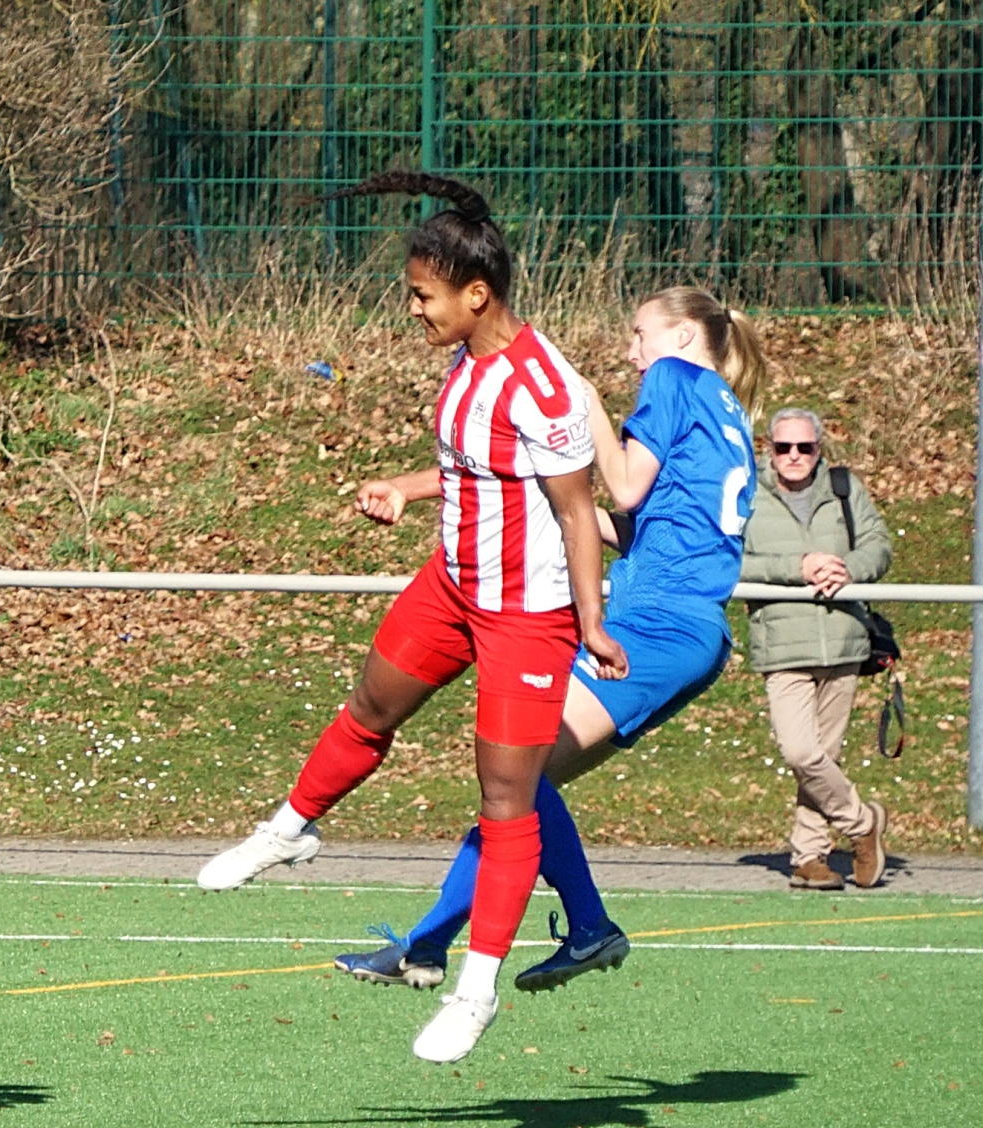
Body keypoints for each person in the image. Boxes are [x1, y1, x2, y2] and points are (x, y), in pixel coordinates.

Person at [194, 171, 627, 1066]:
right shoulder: (465, 364)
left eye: (423, 297)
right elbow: (474, 469)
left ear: (478, 294)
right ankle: (290, 830)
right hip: (452, 586)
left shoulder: (543, 388)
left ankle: (476, 990)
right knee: (370, 707)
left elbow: (580, 514)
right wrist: (404, 483)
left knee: (508, 802)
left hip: (525, 616)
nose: (414, 311)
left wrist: (590, 623)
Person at [332, 285, 764, 993]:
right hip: (691, 631)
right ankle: (428, 943)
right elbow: (629, 528)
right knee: (520, 790)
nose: (632, 351)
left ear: (685, 336)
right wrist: (544, 495)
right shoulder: (728, 412)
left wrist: (582, 399)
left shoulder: (675, 377)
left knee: (517, 774)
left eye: (639, 333)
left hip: (654, 623)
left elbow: (622, 487)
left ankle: (581, 926)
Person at [740, 407, 892, 889]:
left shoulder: (844, 488)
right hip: (783, 644)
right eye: (784, 447)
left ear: (819, 450)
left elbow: (878, 545)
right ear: (769, 449)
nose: (794, 456)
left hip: (844, 638)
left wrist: (846, 568)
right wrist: (798, 566)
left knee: (825, 755)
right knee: (801, 751)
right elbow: (733, 562)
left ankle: (809, 857)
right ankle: (863, 823)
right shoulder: (747, 495)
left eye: (805, 448)